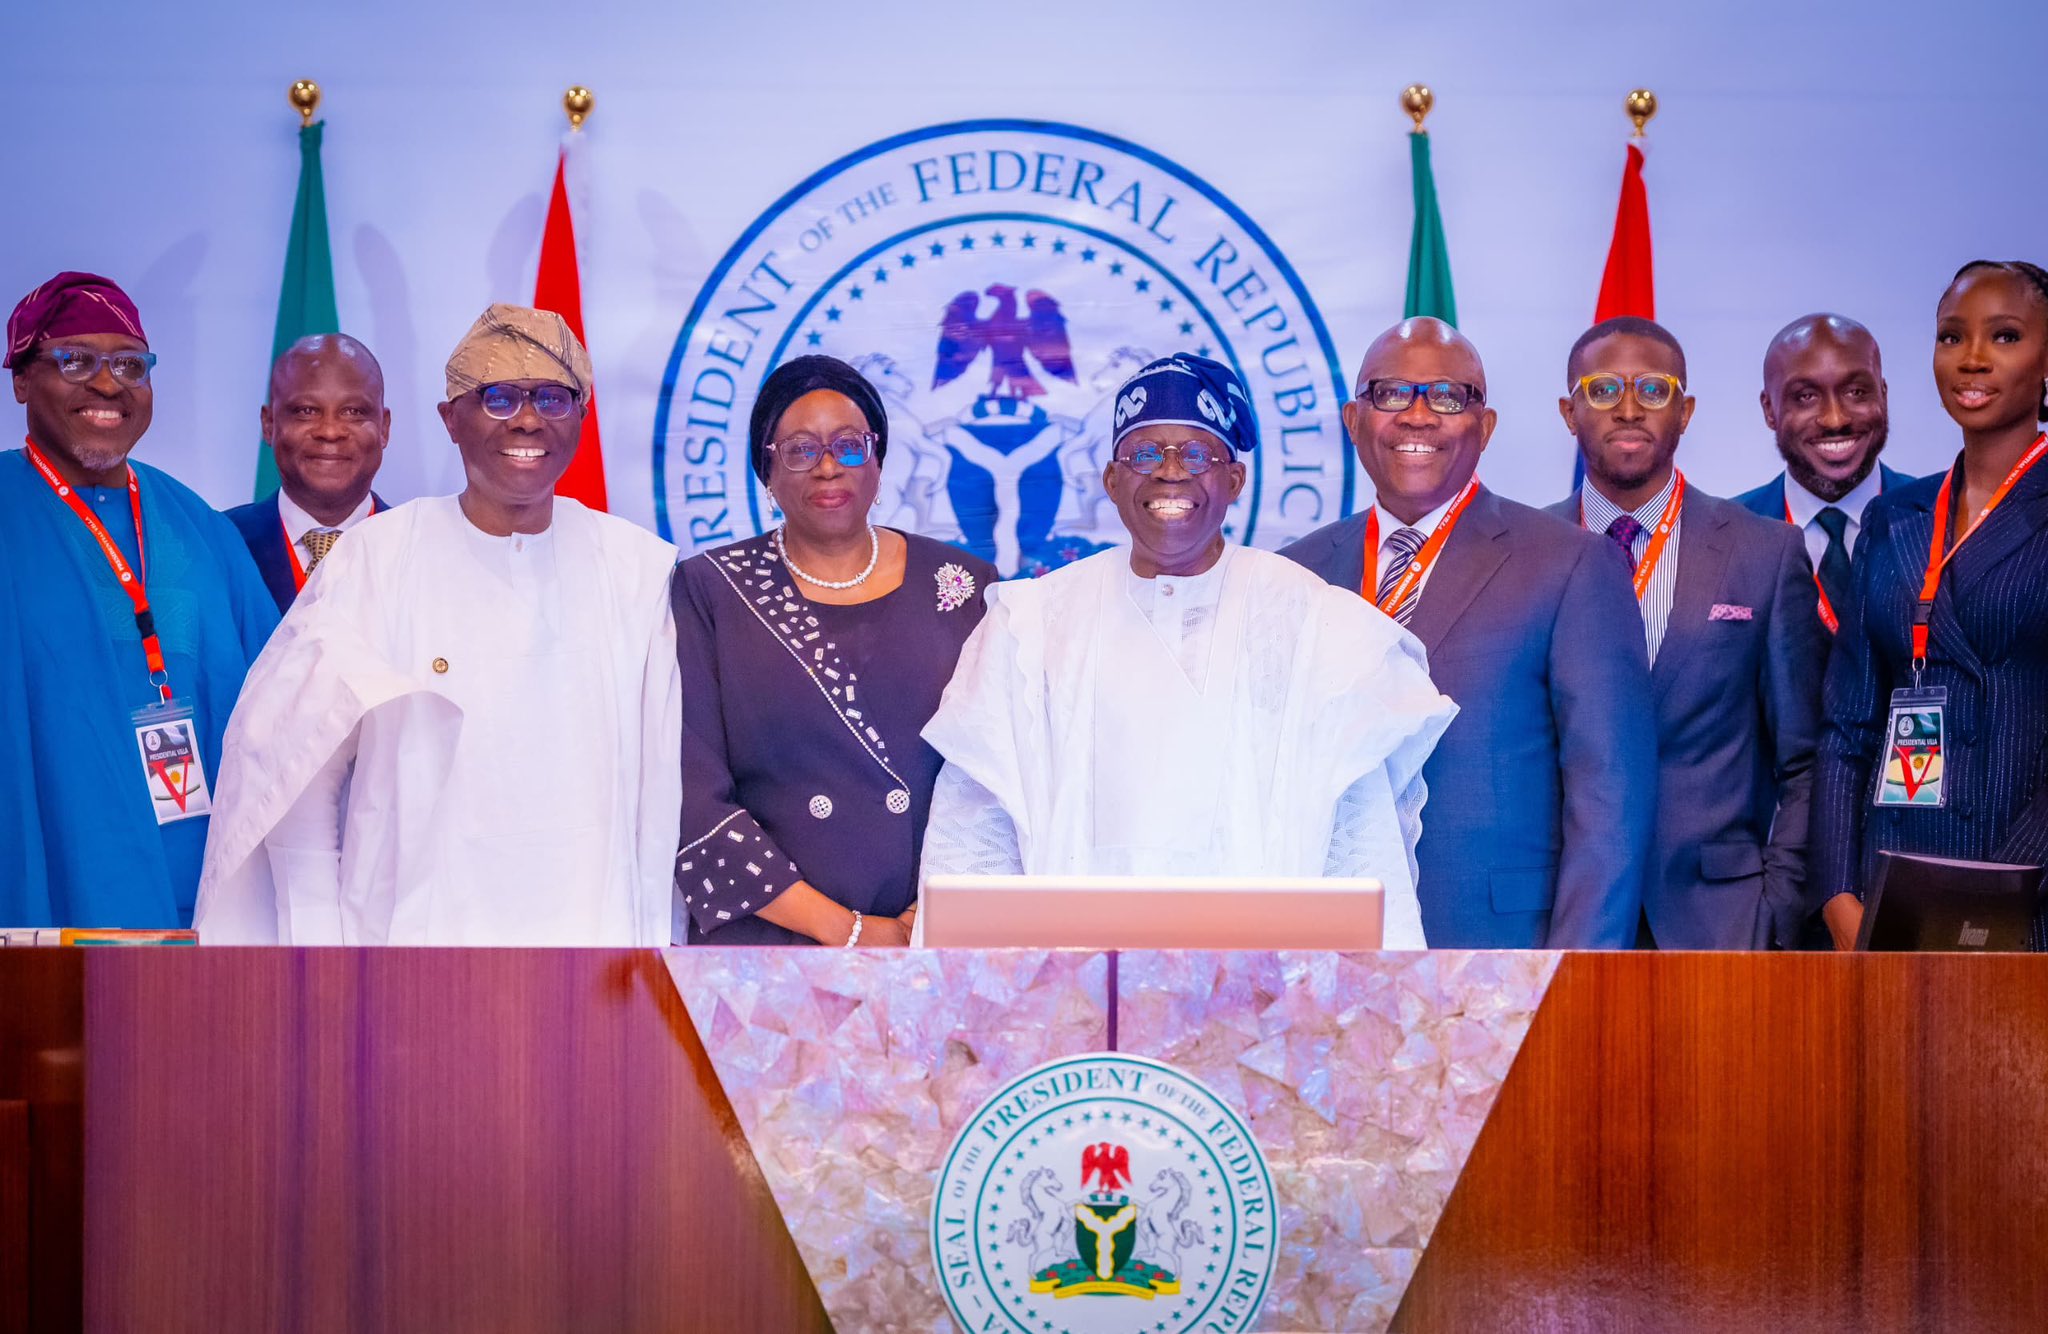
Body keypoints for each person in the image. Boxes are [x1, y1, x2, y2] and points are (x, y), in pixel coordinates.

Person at [917, 353, 1456, 947]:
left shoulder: (1312, 621)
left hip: (1266, 985)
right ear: (1113, 481)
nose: (1170, 473)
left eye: (1197, 454)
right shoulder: (1032, 624)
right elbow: (973, 840)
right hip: (1072, 984)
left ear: (1233, 481)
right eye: (1146, 454)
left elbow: (1360, 844)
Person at [193, 305, 680, 945]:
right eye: (498, 397)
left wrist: (655, 950)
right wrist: (320, 952)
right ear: (450, 419)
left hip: (596, 953)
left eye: (553, 398)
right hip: (408, 958)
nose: (528, 419)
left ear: (582, 419)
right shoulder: (374, 558)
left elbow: (663, 796)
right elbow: (297, 781)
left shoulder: (638, 569)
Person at [1284, 317, 1654, 948]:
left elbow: (1610, 801)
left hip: (1502, 951)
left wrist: (1575, 976)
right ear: (1353, 421)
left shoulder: (1571, 564)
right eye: (1392, 393)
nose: (1418, 416)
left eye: (1448, 397)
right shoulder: (1295, 575)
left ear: (1484, 428)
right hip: (1324, 954)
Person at [674, 356, 998, 945]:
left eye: (849, 446)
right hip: (769, 946)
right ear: (766, 470)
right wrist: (847, 931)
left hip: (933, 942)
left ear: (877, 460)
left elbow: (998, 776)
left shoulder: (964, 584)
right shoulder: (711, 590)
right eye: (800, 449)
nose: (828, 467)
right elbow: (688, 792)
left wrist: (942, 912)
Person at [0, 272, 277, 928]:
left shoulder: (200, 527)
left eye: (130, 365)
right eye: (75, 361)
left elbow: (279, 698)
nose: (107, 384)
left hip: (204, 885)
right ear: (20, 380)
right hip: (48, 876)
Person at [1548, 316, 1827, 949]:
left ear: (1685, 409)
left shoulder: (1764, 553)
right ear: (1569, 412)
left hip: (1721, 922)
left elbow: (1805, 757)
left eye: (1652, 390)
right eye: (1602, 390)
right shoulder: (1527, 555)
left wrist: (1777, 901)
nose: (1627, 409)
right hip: (1566, 917)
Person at [1812, 261, 2048, 950]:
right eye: (1951, 337)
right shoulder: (1895, 517)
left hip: (2025, 899)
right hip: (1893, 901)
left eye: (2004, 337)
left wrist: (2000, 891)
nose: (1972, 359)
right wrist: (1836, 895)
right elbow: (1846, 729)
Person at [1735, 314, 1918, 633]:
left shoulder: (1942, 520)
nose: (1835, 419)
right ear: (1769, 410)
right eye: (1806, 396)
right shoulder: (1730, 537)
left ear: (1883, 394)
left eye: (1857, 392)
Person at [225, 334, 390, 613]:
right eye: (306, 411)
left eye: (353, 411)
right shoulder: (219, 544)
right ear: (269, 423)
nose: (329, 431)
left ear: (384, 427)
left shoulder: (422, 551)